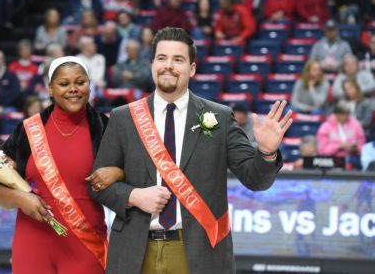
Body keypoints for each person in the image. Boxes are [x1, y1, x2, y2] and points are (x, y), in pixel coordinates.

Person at [87, 27, 292, 273]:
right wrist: (133, 196)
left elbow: (255, 180)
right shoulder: (123, 118)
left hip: (200, 254)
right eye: (161, 58)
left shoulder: (220, 117)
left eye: (178, 59)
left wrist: (267, 153)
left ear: (192, 68)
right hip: (134, 253)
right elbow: (97, 185)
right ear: (152, 64)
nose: (168, 66)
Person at [0, 56, 123, 273]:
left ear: (90, 85)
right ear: (50, 89)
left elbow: (133, 179)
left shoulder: (106, 128)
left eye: (80, 82)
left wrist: (118, 172)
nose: (73, 89)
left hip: (85, 244)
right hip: (33, 243)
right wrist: (21, 198)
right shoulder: (27, 131)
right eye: (64, 84)